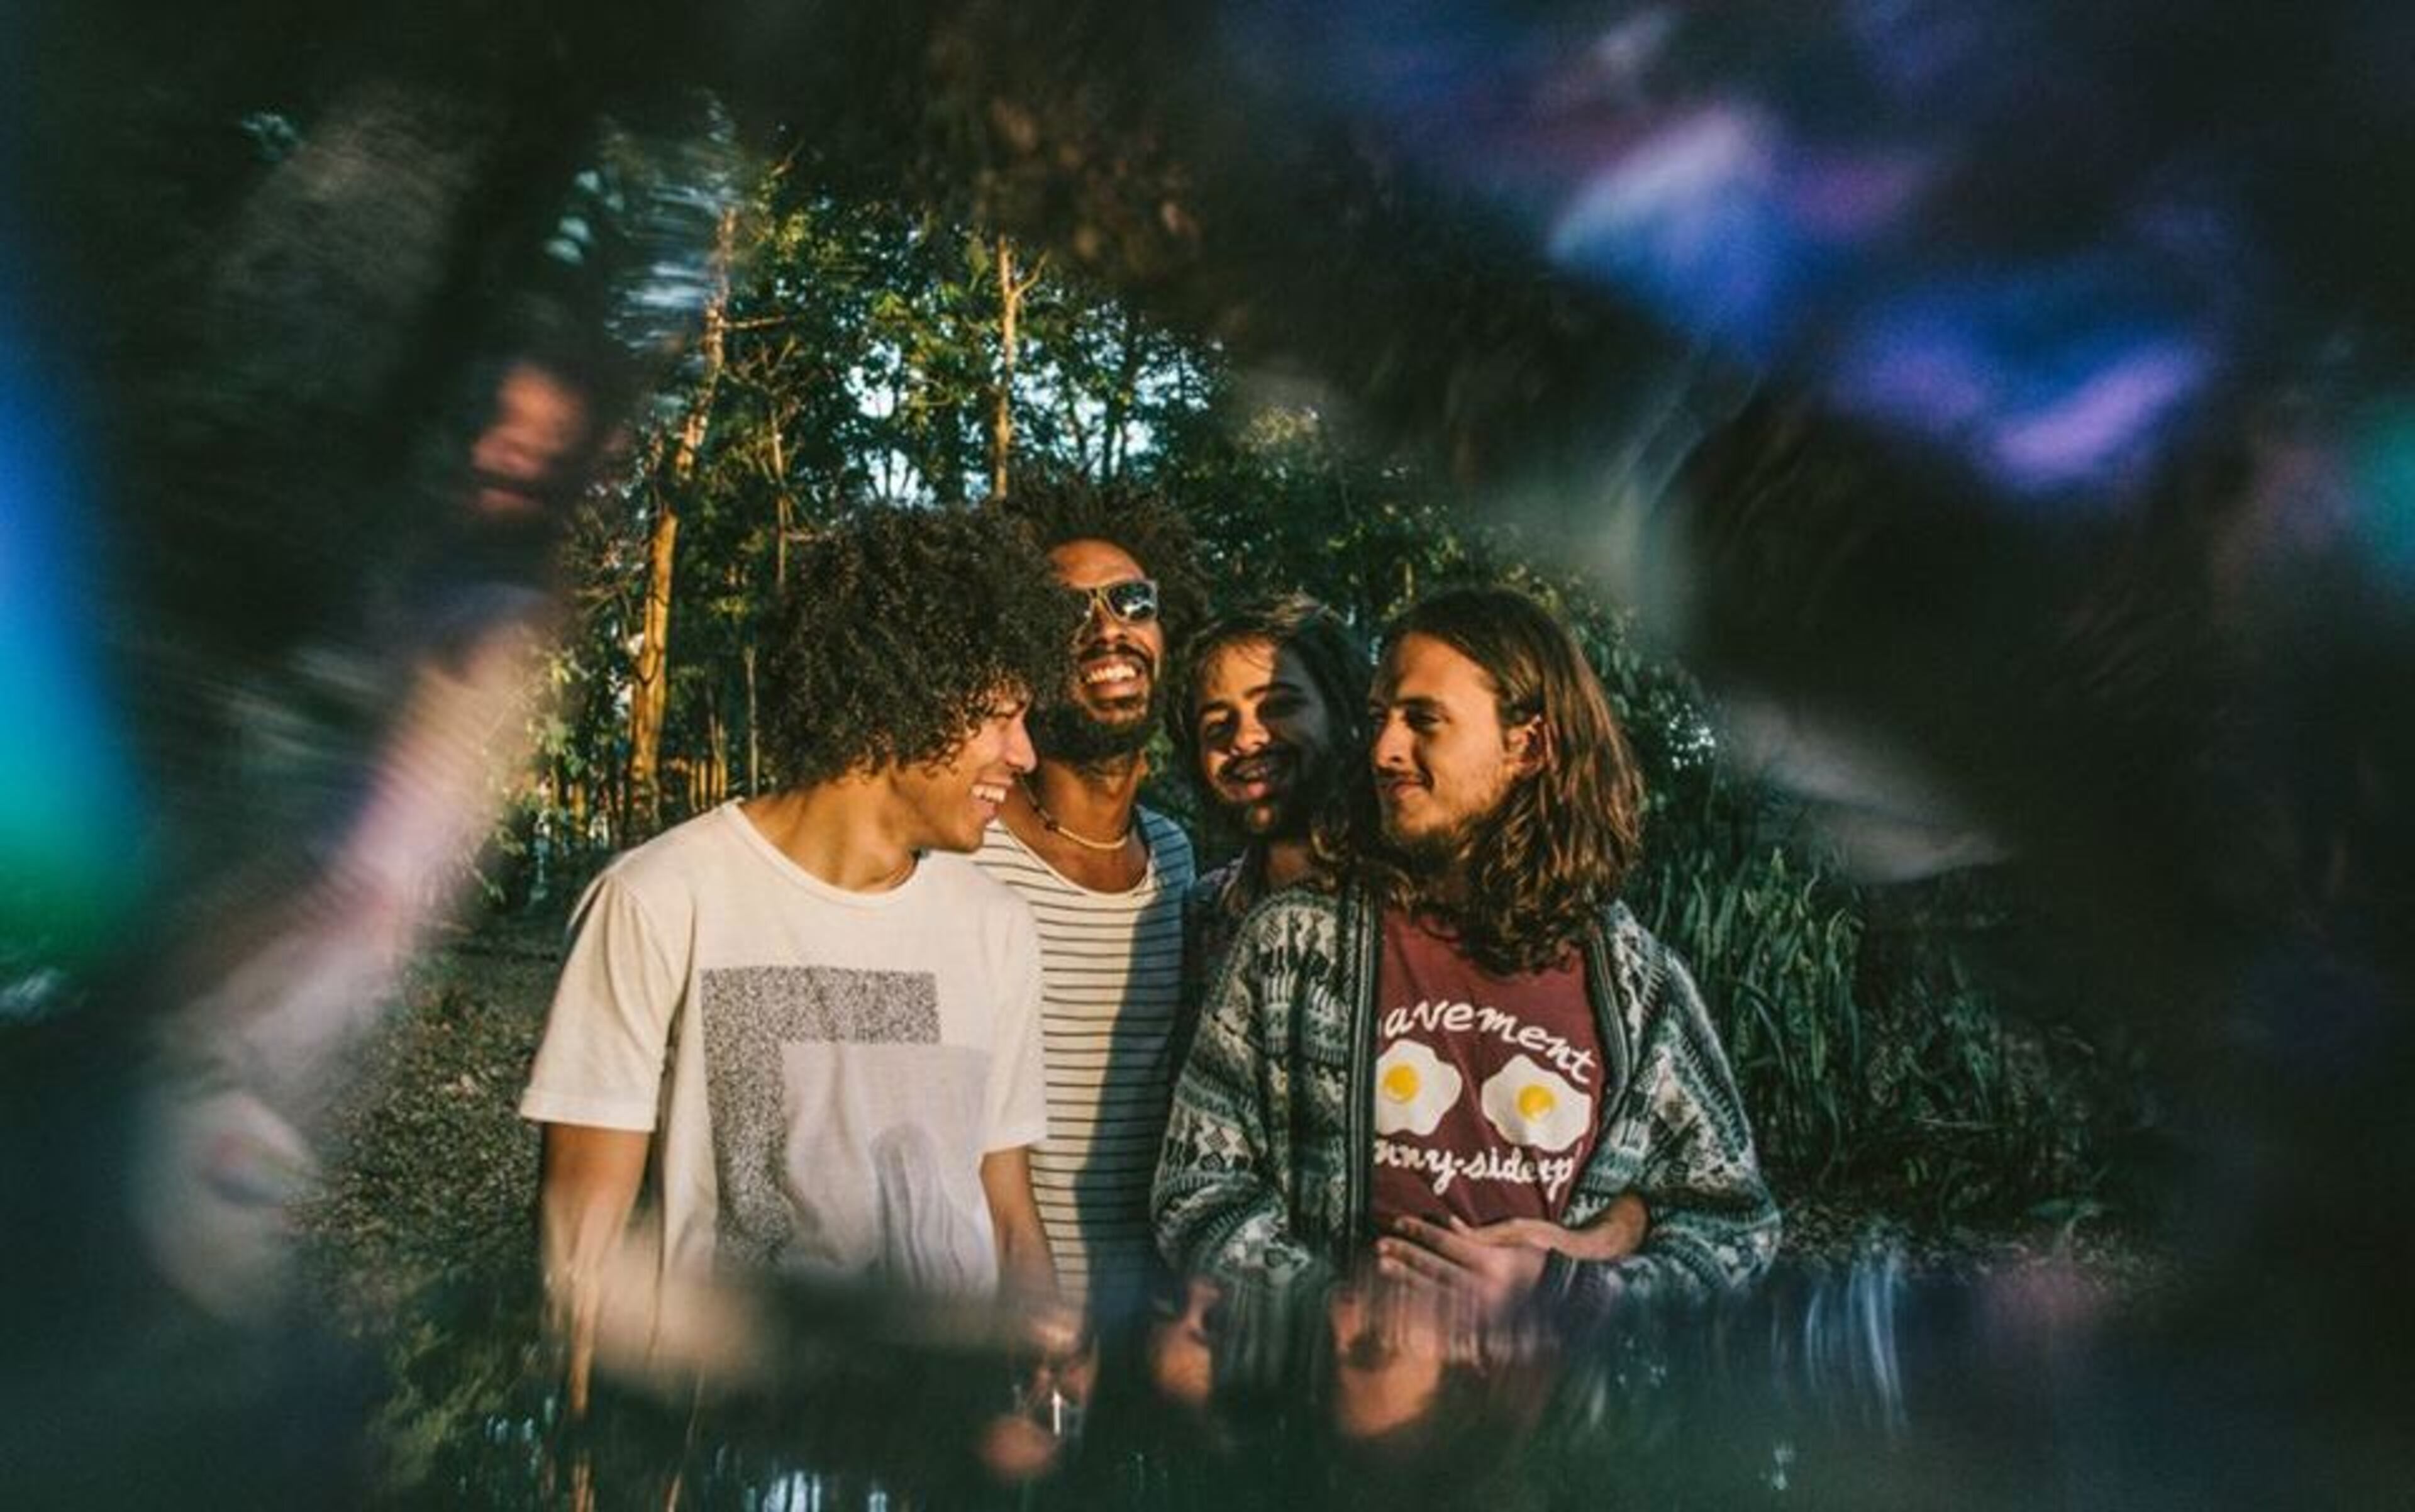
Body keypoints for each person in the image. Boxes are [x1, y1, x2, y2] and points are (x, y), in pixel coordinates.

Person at [519, 505, 1077, 1342]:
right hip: (733, 1438)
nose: (1026, 754)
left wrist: (1047, 1378)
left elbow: (1004, 1211)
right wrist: (593, 1452)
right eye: (1001, 715)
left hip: (945, 1440)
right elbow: (580, 1245)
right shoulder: (659, 900)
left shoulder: (996, 926)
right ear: (898, 697)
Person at [1155, 585, 1776, 1328]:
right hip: (1333, 1431)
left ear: (1529, 745)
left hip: (1553, 1435)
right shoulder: (1294, 946)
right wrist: (1336, 1313)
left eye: (1423, 721)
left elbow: (1734, 1223)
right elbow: (1195, 1187)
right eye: (1381, 718)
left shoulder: (1634, 979)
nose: (1383, 749)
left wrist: (1571, 1289)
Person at [970, 477, 1205, 1321]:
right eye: (1068, 612)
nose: (1107, 628)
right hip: (1001, 1318)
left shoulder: (1177, 859)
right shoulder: (967, 852)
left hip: (1151, 1317)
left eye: (1131, 601)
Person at [1172, 596, 1368, 1001]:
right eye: (1217, 724)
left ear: (1343, 713)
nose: (1244, 739)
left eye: (1278, 706)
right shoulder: (1205, 913)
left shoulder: (1407, 899)